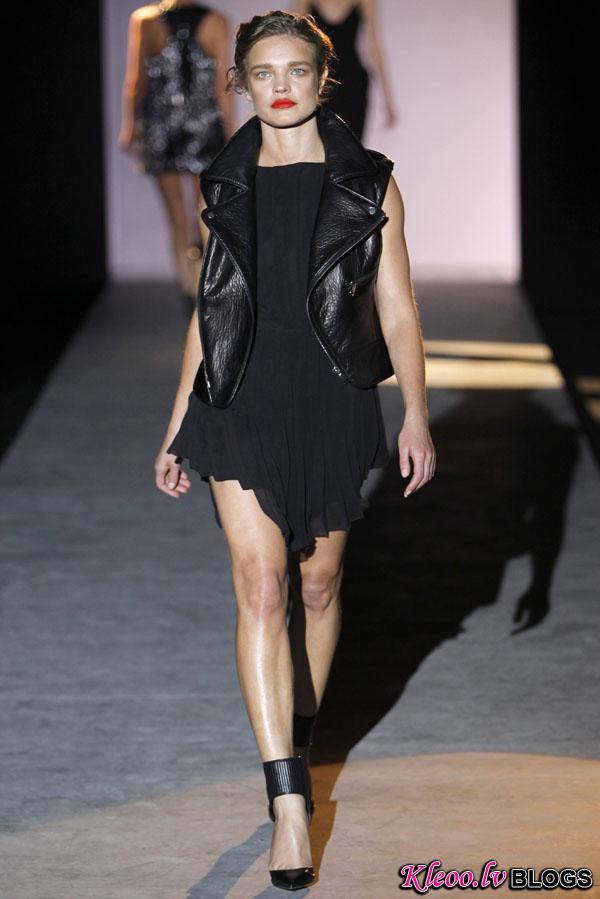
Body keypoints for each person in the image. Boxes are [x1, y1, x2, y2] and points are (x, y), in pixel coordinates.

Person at [155, 10, 435, 891]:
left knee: (317, 585)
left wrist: (416, 414)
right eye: (264, 72)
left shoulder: (369, 182)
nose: (280, 86)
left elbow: (397, 308)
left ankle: (300, 735)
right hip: (238, 397)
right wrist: (177, 421)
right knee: (263, 585)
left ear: (324, 79)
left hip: (333, 396)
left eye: (297, 70)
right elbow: (212, 311)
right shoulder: (225, 181)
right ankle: (286, 801)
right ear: (241, 83)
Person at [119, 0, 234, 298]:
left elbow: (135, 82)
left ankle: (189, 288)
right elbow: (223, 87)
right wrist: (232, 135)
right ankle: (204, 288)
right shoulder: (216, 21)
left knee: (178, 220)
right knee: (204, 215)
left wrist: (129, 126)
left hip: (162, 128)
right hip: (204, 127)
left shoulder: (145, 20)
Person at [296, 0, 397, 139]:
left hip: (351, 84)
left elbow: (373, 47)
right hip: (324, 84)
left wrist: (387, 98)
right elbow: (294, 42)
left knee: (351, 146)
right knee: (324, 145)